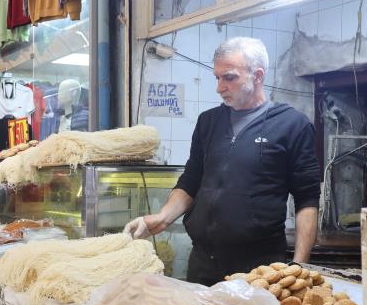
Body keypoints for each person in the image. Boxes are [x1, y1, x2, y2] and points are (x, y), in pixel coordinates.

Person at [125, 37, 320, 286]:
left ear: (257, 76)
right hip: (204, 261)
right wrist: (162, 218)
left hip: (258, 268)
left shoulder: (292, 125)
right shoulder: (209, 122)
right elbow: (191, 180)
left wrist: (299, 267)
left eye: (229, 77)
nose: (219, 87)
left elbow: (307, 200)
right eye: (217, 78)